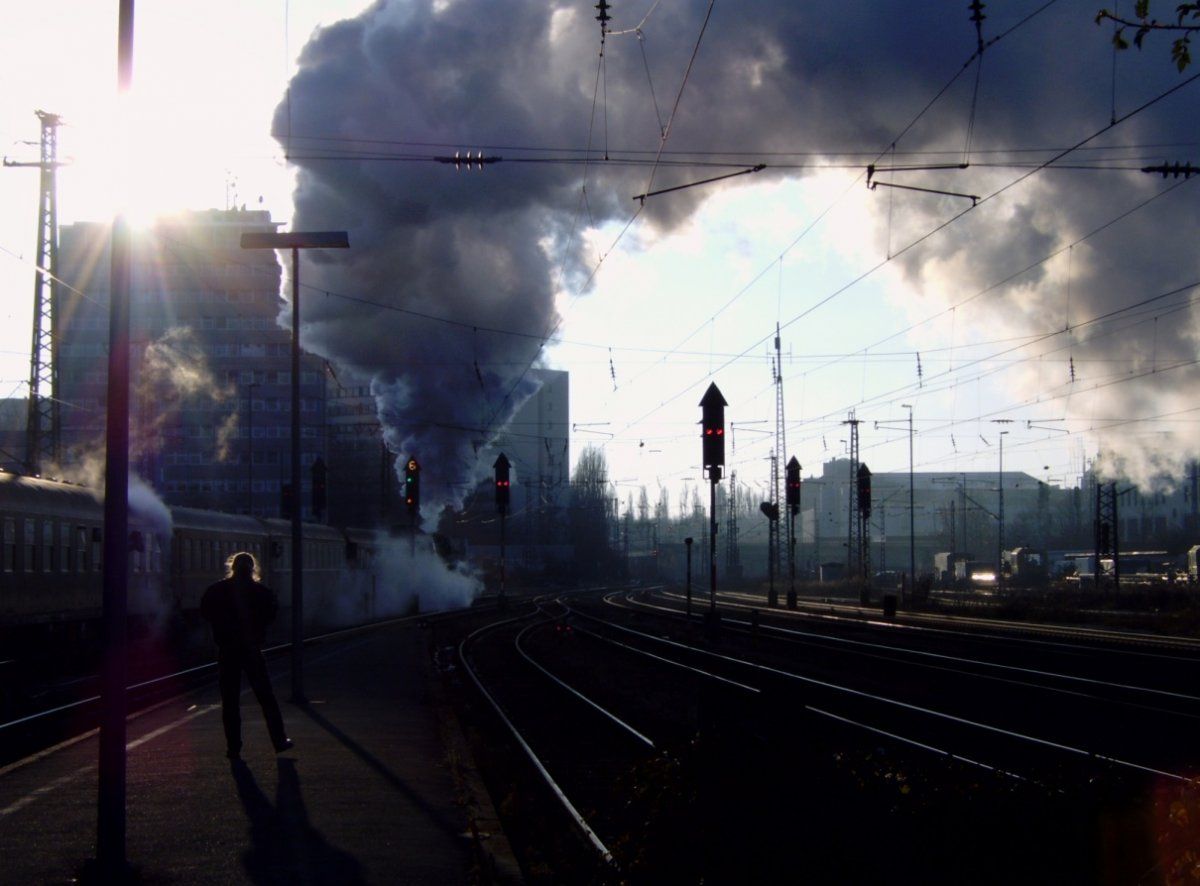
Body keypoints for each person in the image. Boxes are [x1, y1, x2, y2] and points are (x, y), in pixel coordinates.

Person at [200, 552, 293, 759]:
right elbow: (271, 614)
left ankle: (233, 747)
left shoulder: (217, 590)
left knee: (230, 701)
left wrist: (222, 625)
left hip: (227, 650)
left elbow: (205, 611)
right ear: (252, 569)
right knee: (266, 698)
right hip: (251, 649)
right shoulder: (261, 592)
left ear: (232, 567)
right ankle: (279, 740)